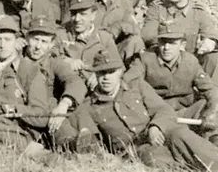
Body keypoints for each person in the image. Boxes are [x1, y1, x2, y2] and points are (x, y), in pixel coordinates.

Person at [77, 48, 218, 171]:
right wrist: (108, 157)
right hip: (137, 149)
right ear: (95, 75)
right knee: (156, 158)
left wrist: (155, 126)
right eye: (101, 73)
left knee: (180, 134)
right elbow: (92, 142)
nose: (106, 78)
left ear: (120, 71)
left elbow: (164, 109)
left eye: (111, 72)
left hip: (159, 133)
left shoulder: (136, 86)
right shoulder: (88, 107)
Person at [125, 19, 218, 144]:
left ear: (182, 44)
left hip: (185, 113)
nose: (166, 47)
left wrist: (212, 111)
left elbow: (210, 89)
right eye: (163, 42)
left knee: (207, 106)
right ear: (158, 42)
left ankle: (212, 144)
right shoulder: (145, 59)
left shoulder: (190, 61)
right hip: (156, 115)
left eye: (172, 43)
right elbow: (129, 82)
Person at [0, 15, 53, 154]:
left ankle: (32, 150)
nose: (2, 45)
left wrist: (9, 109)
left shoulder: (30, 69)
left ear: (17, 41)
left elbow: (41, 116)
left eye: (7, 39)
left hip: (18, 129)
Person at [24, 16, 89, 150]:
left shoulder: (54, 63)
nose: (38, 46)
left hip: (51, 117)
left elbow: (75, 81)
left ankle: (87, 142)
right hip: (26, 115)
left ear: (51, 44)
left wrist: (64, 104)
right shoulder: (17, 60)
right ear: (27, 38)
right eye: (35, 39)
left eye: (44, 41)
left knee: (73, 106)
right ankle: (70, 144)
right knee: (50, 103)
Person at [141, 0, 218, 75]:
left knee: (214, 57)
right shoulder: (158, 8)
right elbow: (148, 35)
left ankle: (204, 85)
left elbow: (211, 33)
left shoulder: (198, 10)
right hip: (163, 61)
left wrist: (210, 41)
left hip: (190, 64)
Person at [55, 0, 118, 90]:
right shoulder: (61, 34)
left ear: (93, 15)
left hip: (97, 88)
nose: (77, 19)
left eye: (83, 14)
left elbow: (118, 66)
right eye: (73, 14)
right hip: (67, 87)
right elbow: (48, 58)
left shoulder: (104, 36)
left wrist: (100, 75)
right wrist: (67, 61)